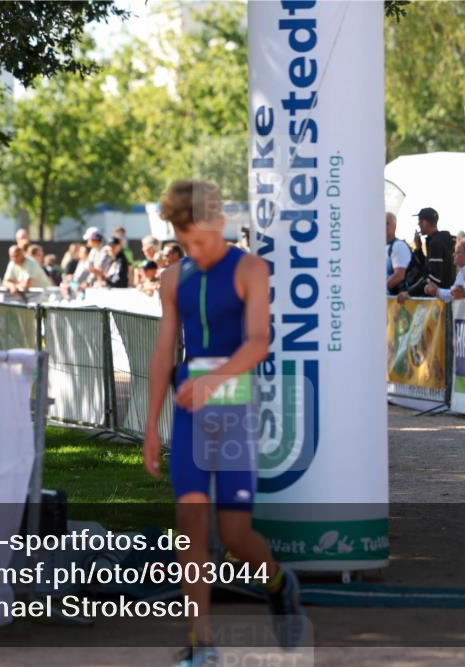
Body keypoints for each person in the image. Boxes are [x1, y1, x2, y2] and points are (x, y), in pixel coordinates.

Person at [144, 180, 305, 666]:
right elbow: (162, 352)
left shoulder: (252, 269)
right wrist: (152, 424)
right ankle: (201, 641)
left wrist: (215, 381)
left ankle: (277, 581)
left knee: (235, 537)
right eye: (184, 243)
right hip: (191, 412)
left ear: (219, 222)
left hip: (234, 410)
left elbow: (259, 340)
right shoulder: (173, 279)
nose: (194, 251)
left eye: (199, 240)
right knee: (190, 522)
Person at [408, 207, 455, 295]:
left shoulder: (435, 243)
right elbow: (427, 269)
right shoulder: (439, 240)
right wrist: (419, 248)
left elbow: (434, 278)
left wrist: (409, 292)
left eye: (420, 221)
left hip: (440, 299)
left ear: (425, 222)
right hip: (445, 295)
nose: (418, 224)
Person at [385, 212, 411, 296]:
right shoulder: (378, 247)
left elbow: (399, 275)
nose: (383, 226)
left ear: (395, 226)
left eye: (387, 223)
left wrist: (378, 291)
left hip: (397, 303)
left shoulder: (398, 246)